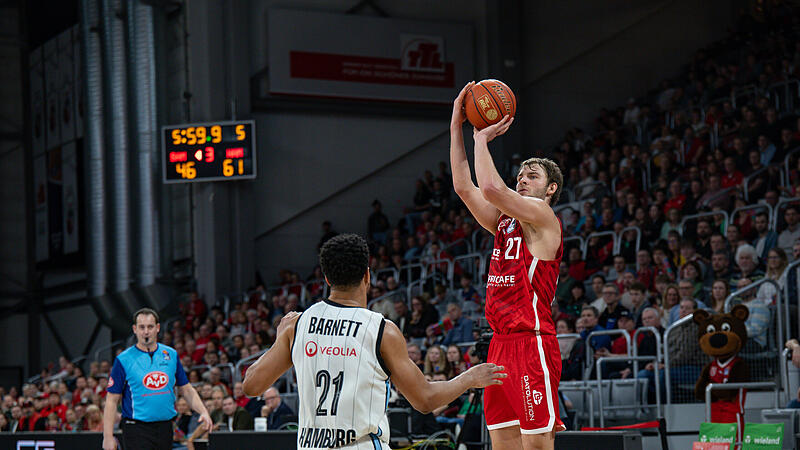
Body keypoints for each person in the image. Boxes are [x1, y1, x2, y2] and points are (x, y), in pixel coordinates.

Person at [242, 234, 505, 449]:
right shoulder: (382, 330)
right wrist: (469, 378)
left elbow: (251, 386)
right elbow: (425, 400)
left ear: (326, 279)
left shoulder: (297, 324)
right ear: (368, 276)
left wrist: (280, 339)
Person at [450, 82, 566, 448]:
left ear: (550, 190)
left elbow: (491, 189)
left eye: (532, 177)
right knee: (503, 444)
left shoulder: (544, 218)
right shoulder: (504, 222)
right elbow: (465, 188)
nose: (522, 180)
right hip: (499, 345)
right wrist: (457, 127)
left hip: (531, 344)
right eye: (521, 175)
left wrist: (482, 141)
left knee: (535, 445)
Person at [103, 308, 211, 450]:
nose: (146, 332)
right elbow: (111, 400)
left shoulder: (171, 354)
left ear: (158, 328)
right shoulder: (123, 360)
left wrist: (203, 411)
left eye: (150, 327)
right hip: (136, 428)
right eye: (141, 327)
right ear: (134, 329)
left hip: (165, 427)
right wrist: (107, 436)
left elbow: (186, 389)